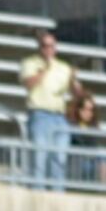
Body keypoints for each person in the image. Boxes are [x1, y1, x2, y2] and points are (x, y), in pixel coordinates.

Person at [19, 27, 75, 183]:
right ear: (40, 47)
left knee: (59, 158)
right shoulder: (30, 63)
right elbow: (28, 84)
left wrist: (75, 84)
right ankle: (37, 190)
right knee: (39, 158)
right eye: (45, 46)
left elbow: (72, 90)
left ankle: (58, 192)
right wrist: (44, 71)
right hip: (40, 114)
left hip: (59, 116)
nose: (49, 49)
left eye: (52, 46)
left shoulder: (64, 67)